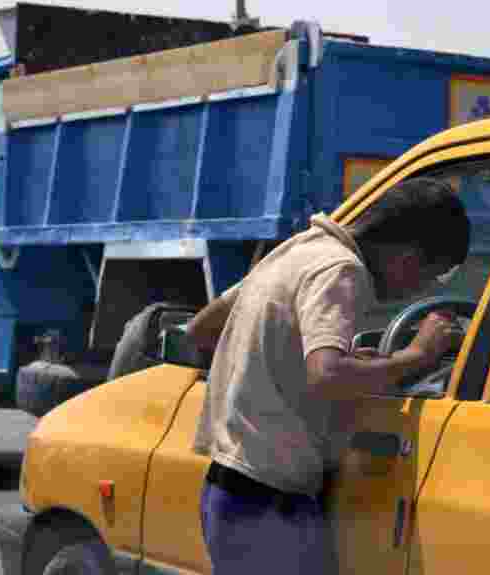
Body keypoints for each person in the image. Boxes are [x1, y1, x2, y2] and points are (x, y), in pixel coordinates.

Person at [183, 176, 471, 575]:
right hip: (271, 507)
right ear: (408, 259)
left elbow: (204, 329)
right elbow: (327, 377)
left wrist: (336, 361)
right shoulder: (341, 270)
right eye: (431, 278)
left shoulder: (298, 250)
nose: (417, 291)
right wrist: (416, 355)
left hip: (226, 496)